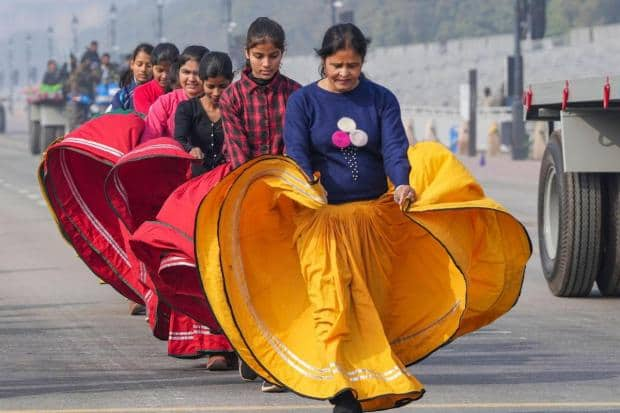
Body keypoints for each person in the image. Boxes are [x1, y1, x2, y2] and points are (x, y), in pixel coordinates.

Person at [193, 23, 531, 413]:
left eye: (352, 65)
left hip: (374, 220)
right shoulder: (303, 102)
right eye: (337, 65)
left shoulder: (381, 99)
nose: (344, 73)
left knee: (372, 307)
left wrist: (402, 183)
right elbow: (298, 154)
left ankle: (366, 379)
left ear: (362, 63)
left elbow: (394, 147)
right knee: (330, 303)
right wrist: (304, 189)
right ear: (323, 61)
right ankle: (341, 390)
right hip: (319, 220)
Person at [220, 16, 300, 171]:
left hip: (287, 176)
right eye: (259, 56)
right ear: (247, 53)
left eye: (273, 56)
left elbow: (294, 146)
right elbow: (238, 153)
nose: (266, 64)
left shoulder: (296, 94)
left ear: (282, 53)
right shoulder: (231, 97)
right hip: (243, 177)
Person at [175, 52, 232, 176]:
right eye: (210, 86)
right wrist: (191, 149)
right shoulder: (187, 108)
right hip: (197, 180)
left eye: (222, 86)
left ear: (231, 80)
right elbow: (179, 139)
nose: (216, 93)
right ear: (201, 80)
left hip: (228, 178)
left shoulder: (235, 109)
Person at [141, 45, 208, 141]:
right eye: (186, 72)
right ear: (178, 72)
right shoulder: (165, 103)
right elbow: (149, 140)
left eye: (197, 73)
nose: (191, 79)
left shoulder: (220, 103)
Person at [133, 43, 179, 115]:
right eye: (160, 71)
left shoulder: (183, 91)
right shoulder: (142, 92)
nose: (164, 76)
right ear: (152, 67)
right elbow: (151, 118)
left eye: (169, 71)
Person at [111, 43, 154, 111]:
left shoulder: (161, 95)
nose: (143, 69)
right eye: (139, 64)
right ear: (132, 64)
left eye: (149, 66)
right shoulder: (122, 96)